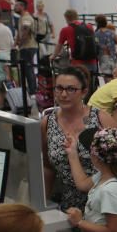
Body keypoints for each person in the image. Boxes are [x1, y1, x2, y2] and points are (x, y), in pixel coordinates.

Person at [41, 67, 104, 212]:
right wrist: (44, 203)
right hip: (68, 203)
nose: (63, 94)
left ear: (84, 91)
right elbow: (48, 167)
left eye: (71, 89)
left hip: (102, 198)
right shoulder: (47, 122)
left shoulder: (100, 118)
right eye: (59, 88)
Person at [53, 9, 98, 83]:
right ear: (76, 16)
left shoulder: (65, 30)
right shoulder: (89, 26)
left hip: (78, 63)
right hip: (92, 61)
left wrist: (53, 56)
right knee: (91, 85)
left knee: (79, 86)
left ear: (66, 18)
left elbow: (59, 45)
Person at [14, 0, 39, 98]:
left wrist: (20, 42)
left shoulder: (26, 18)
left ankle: (33, 91)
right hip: (25, 46)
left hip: (28, 46)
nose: (15, 7)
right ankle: (30, 90)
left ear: (22, 7)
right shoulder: (22, 18)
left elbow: (25, 30)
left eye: (17, 6)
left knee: (28, 68)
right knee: (26, 68)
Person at [93, 14, 117, 81]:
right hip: (114, 57)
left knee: (108, 80)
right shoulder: (112, 33)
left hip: (103, 58)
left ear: (97, 23)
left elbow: (96, 45)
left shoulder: (96, 34)